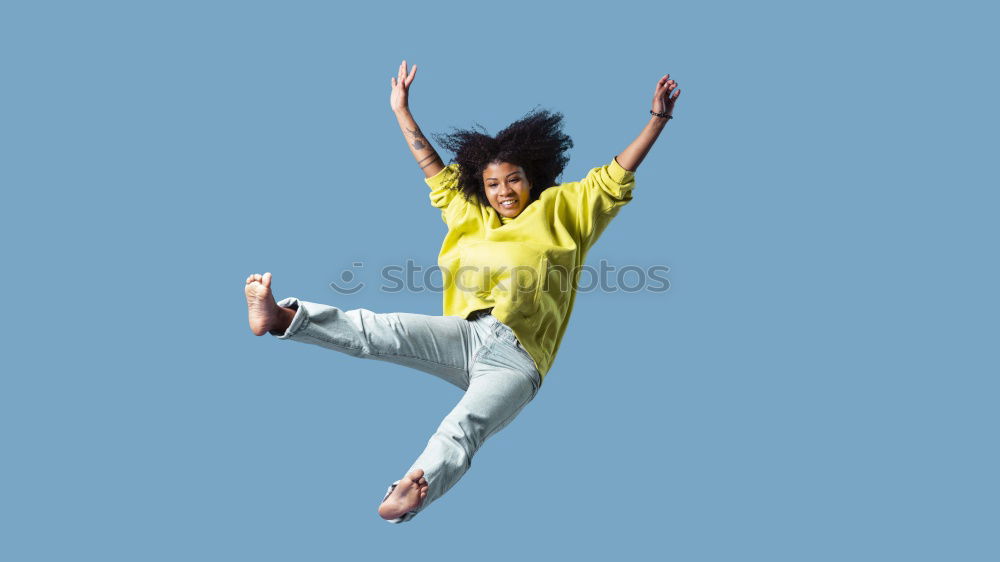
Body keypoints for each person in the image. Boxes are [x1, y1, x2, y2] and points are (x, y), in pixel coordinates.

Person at [243, 60, 680, 523]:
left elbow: (614, 176)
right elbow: (433, 169)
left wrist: (658, 119)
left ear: (532, 178)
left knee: (465, 426)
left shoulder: (565, 210)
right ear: (482, 187)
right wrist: (402, 112)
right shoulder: (468, 214)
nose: (504, 190)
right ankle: (284, 318)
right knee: (380, 329)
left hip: (518, 361)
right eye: (492, 183)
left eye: (513, 179)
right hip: (465, 333)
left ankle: (414, 486)